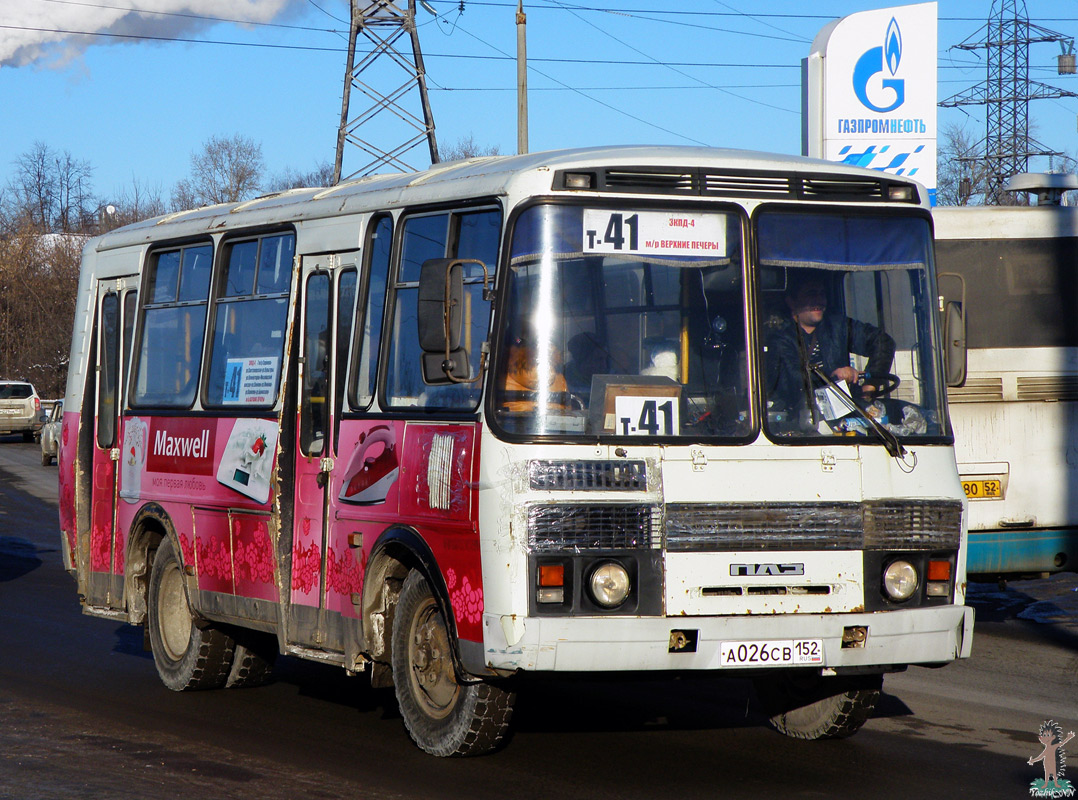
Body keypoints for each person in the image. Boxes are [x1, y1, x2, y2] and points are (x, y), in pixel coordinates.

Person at [767, 271, 895, 418]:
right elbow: (791, 380)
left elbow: (883, 342)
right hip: (798, 420)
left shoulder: (837, 326)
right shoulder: (779, 338)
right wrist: (833, 376)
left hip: (841, 418)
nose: (818, 300)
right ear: (792, 301)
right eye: (811, 294)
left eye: (822, 294)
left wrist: (870, 385)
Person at [564, 332, 609, 396]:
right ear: (582, 360)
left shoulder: (612, 379)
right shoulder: (564, 384)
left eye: (606, 360)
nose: (604, 365)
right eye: (598, 360)